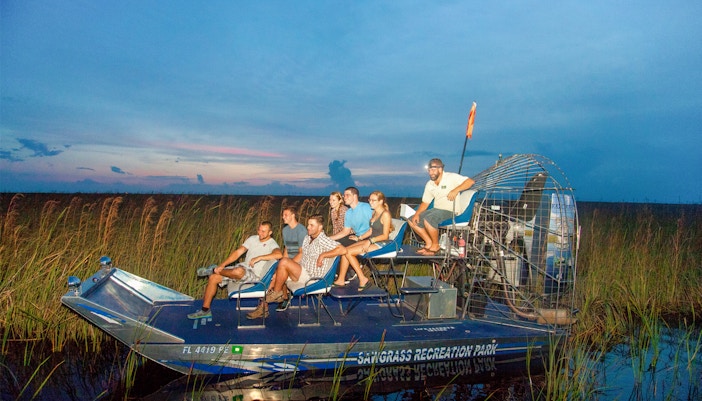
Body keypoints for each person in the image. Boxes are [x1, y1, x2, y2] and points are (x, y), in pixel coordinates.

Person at [247, 214, 346, 319]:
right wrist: (286, 265)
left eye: (312, 225)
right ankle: (263, 308)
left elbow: (343, 250)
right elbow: (301, 255)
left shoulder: (323, 239)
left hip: (312, 277)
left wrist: (323, 255)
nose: (308, 227)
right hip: (302, 271)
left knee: (283, 262)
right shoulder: (307, 238)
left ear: (320, 227)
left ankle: (277, 293)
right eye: (308, 224)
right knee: (275, 274)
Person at [187, 221, 282, 319]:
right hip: (243, 268)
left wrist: (260, 257)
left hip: (254, 275)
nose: (260, 233)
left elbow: (279, 254)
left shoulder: (272, 243)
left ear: (270, 233)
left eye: (263, 231)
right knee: (213, 278)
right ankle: (205, 310)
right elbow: (238, 253)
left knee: (238, 271)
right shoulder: (252, 239)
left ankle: (213, 269)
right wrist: (222, 265)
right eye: (259, 230)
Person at [408, 158, 475, 255]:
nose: (431, 172)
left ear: (440, 169)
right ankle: (429, 243)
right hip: (436, 210)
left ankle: (435, 246)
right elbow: (425, 202)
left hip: (450, 210)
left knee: (429, 219)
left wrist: (456, 190)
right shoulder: (430, 184)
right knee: (411, 220)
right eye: (429, 170)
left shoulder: (451, 177)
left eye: (433, 169)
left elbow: (470, 182)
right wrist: (417, 214)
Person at [333, 190, 392, 290]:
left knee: (349, 253)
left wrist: (370, 241)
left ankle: (362, 279)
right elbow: (370, 231)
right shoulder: (374, 213)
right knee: (344, 250)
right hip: (373, 241)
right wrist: (359, 238)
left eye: (374, 200)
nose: (370, 202)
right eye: (370, 200)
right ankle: (341, 279)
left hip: (381, 243)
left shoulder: (385, 214)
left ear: (381, 201)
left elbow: (385, 236)